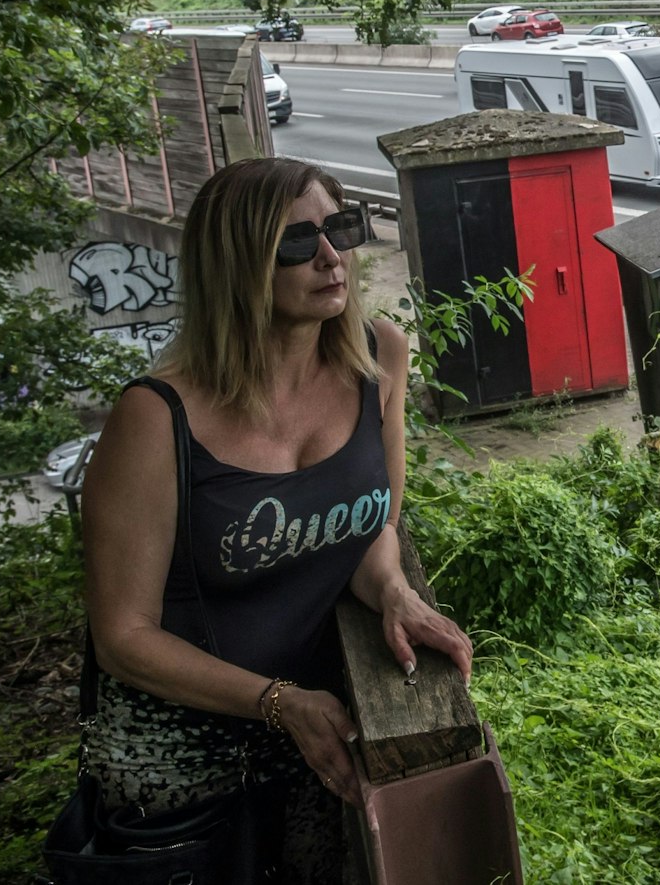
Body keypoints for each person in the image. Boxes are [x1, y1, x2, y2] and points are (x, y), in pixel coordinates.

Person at [79, 157, 473, 881]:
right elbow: (123, 637)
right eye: (296, 243)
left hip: (325, 717)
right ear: (237, 265)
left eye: (341, 229)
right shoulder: (156, 416)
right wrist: (277, 703)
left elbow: (371, 517)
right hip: (187, 757)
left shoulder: (378, 356)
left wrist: (389, 587)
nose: (331, 257)